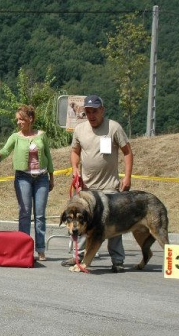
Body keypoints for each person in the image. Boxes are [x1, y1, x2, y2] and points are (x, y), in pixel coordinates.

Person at [62, 95, 134, 271]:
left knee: (113, 226)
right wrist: (74, 168)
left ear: (102, 110)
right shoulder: (80, 130)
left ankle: (118, 261)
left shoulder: (114, 128)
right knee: (84, 224)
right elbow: (74, 152)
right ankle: (78, 258)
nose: (91, 115)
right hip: (87, 189)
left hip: (110, 187)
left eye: (95, 111)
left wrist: (127, 177)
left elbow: (127, 152)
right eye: (88, 112)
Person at [0, 105, 54, 261]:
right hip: (23, 177)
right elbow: (4, 152)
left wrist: (52, 177)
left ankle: (40, 249)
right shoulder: (15, 137)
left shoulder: (42, 135)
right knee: (24, 213)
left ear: (30, 119)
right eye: (17, 119)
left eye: (21, 119)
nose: (19, 122)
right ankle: (24, 248)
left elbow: (48, 156)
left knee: (40, 215)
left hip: (42, 177)